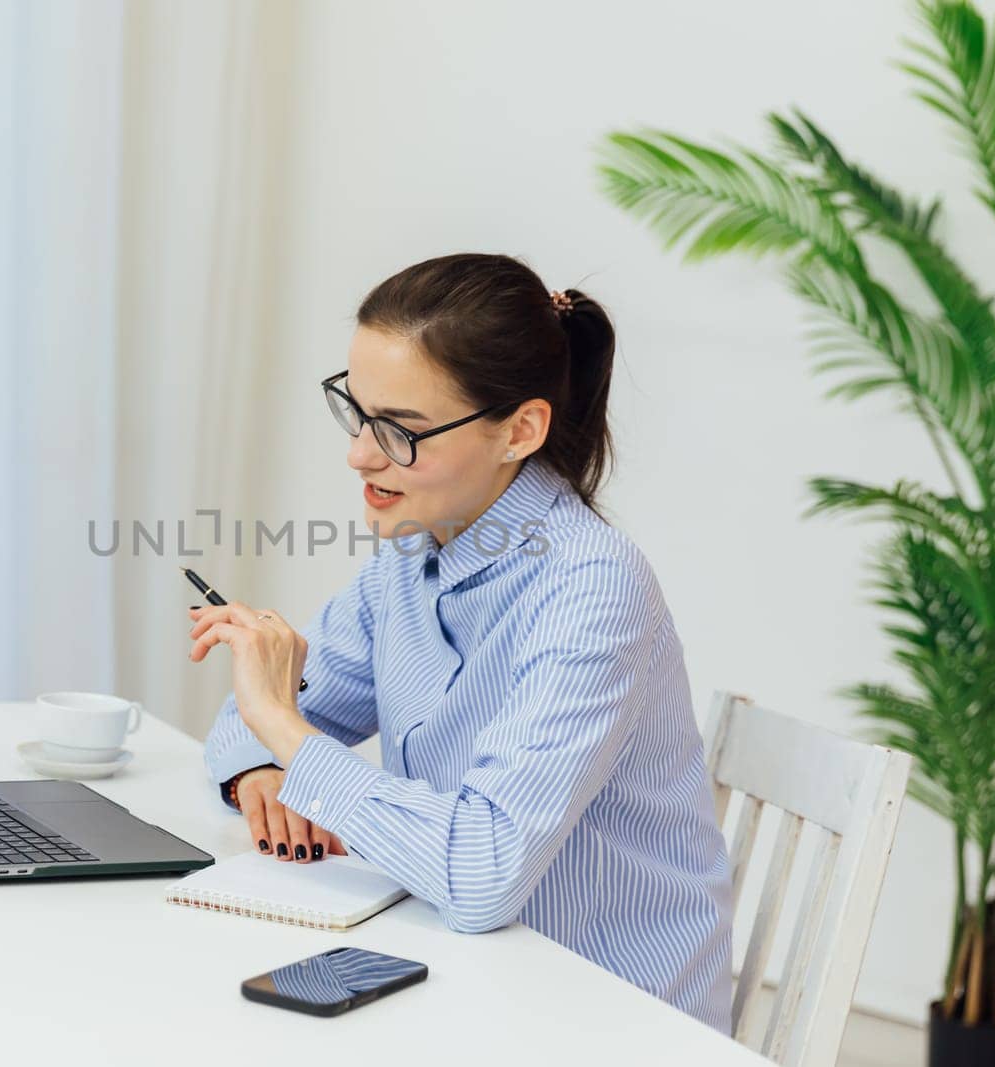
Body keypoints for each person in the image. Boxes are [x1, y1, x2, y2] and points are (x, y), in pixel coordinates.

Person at [186, 252, 732, 1031]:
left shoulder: (592, 589)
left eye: (401, 431)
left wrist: (285, 731)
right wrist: (258, 771)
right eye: (356, 410)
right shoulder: (414, 552)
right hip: (465, 969)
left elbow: (479, 872)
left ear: (520, 429)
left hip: (607, 1013)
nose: (360, 455)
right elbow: (250, 725)